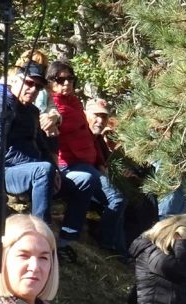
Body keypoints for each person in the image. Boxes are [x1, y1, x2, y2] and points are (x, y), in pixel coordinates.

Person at [0, 63, 89, 262]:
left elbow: (43, 147)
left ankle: (67, 240)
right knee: (42, 170)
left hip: (30, 170)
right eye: (29, 83)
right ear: (13, 82)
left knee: (84, 182)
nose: (33, 89)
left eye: (38, 86)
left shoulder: (32, 111)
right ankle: (42, 236)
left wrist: (54, 170)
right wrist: (41, 167)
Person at [48, 60, 128, 258]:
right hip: (71, 164)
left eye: (70, 79)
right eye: (60, 79)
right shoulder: (55, 107)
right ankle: (106, 245)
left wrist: (100, 162)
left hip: (87, 164)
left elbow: (91, 140)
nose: (66, 83)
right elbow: (56, 126)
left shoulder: (74, 103)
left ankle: (120, 252)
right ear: (51, 81)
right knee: (115, 198)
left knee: (123, 201)